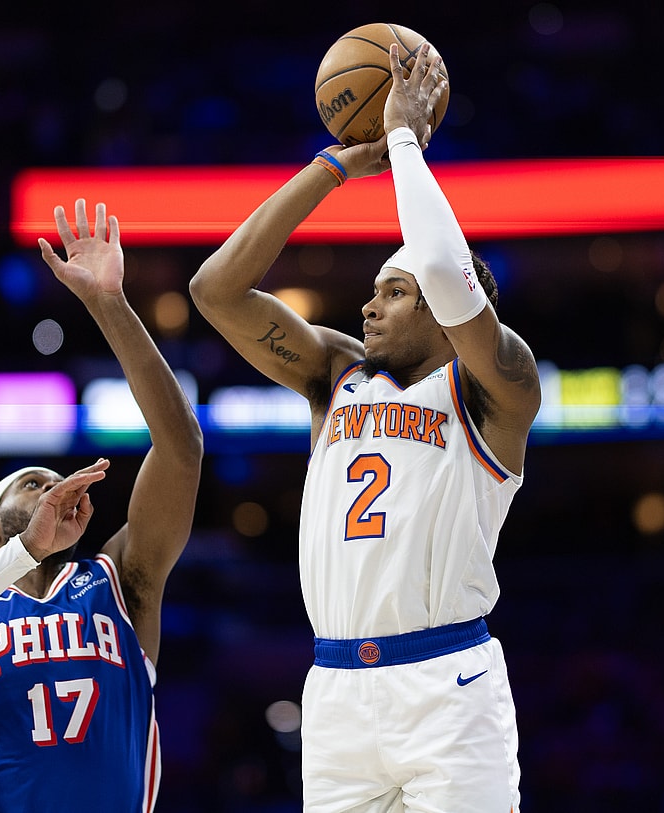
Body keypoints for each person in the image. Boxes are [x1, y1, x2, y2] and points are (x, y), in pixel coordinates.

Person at [190, 43, 540, 813]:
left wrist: (408, 140)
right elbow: (214, 288)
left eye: (392, 291)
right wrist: (335, 168)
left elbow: (449, 275)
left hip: (448, 688)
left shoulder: (496, 387)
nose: (367, 305)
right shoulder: (334, 376)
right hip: (336, 690)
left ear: (449, 317)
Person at [0, 199, 203, 813]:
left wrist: (111, 307)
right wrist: (25, 552)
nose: (57, 489)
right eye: (34, 484)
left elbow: (181, 448)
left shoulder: (120, 580)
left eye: (59, 480)